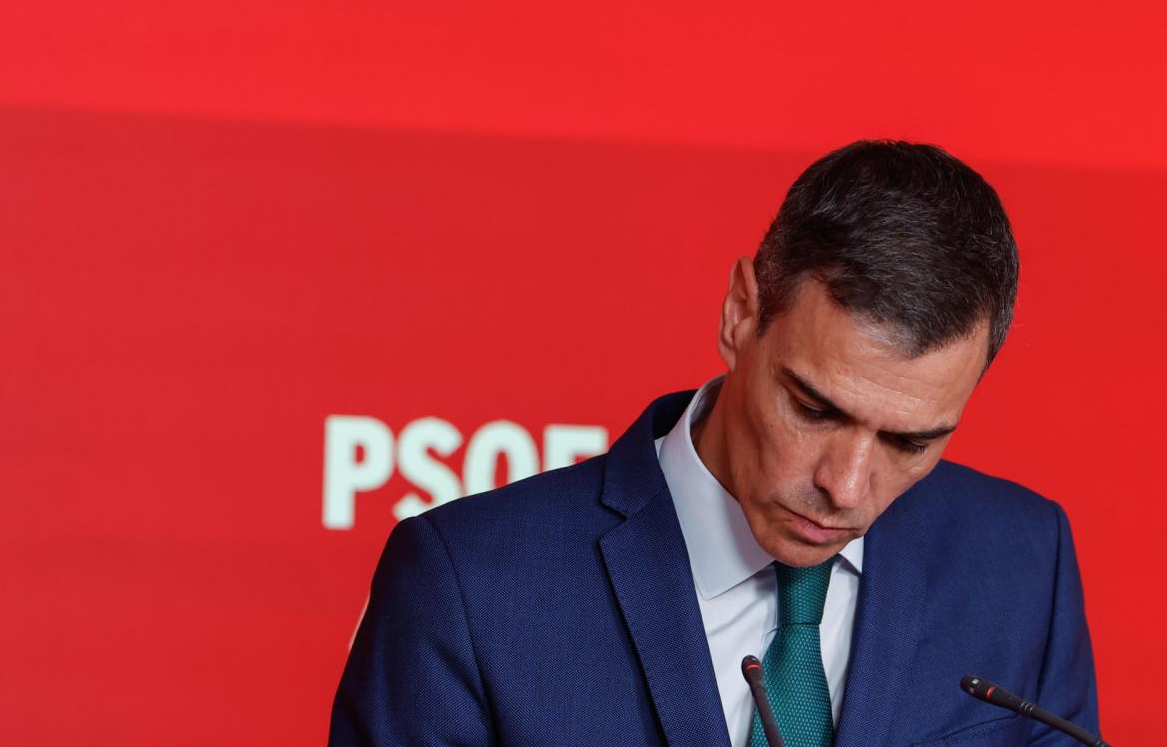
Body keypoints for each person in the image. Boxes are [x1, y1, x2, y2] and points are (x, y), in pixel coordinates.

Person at [329, 141, 1099, 746]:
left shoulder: (1023, 565)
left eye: (910, 442)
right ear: (740, 314)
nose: (846, 486)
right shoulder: (469, 587)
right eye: (814, 409)